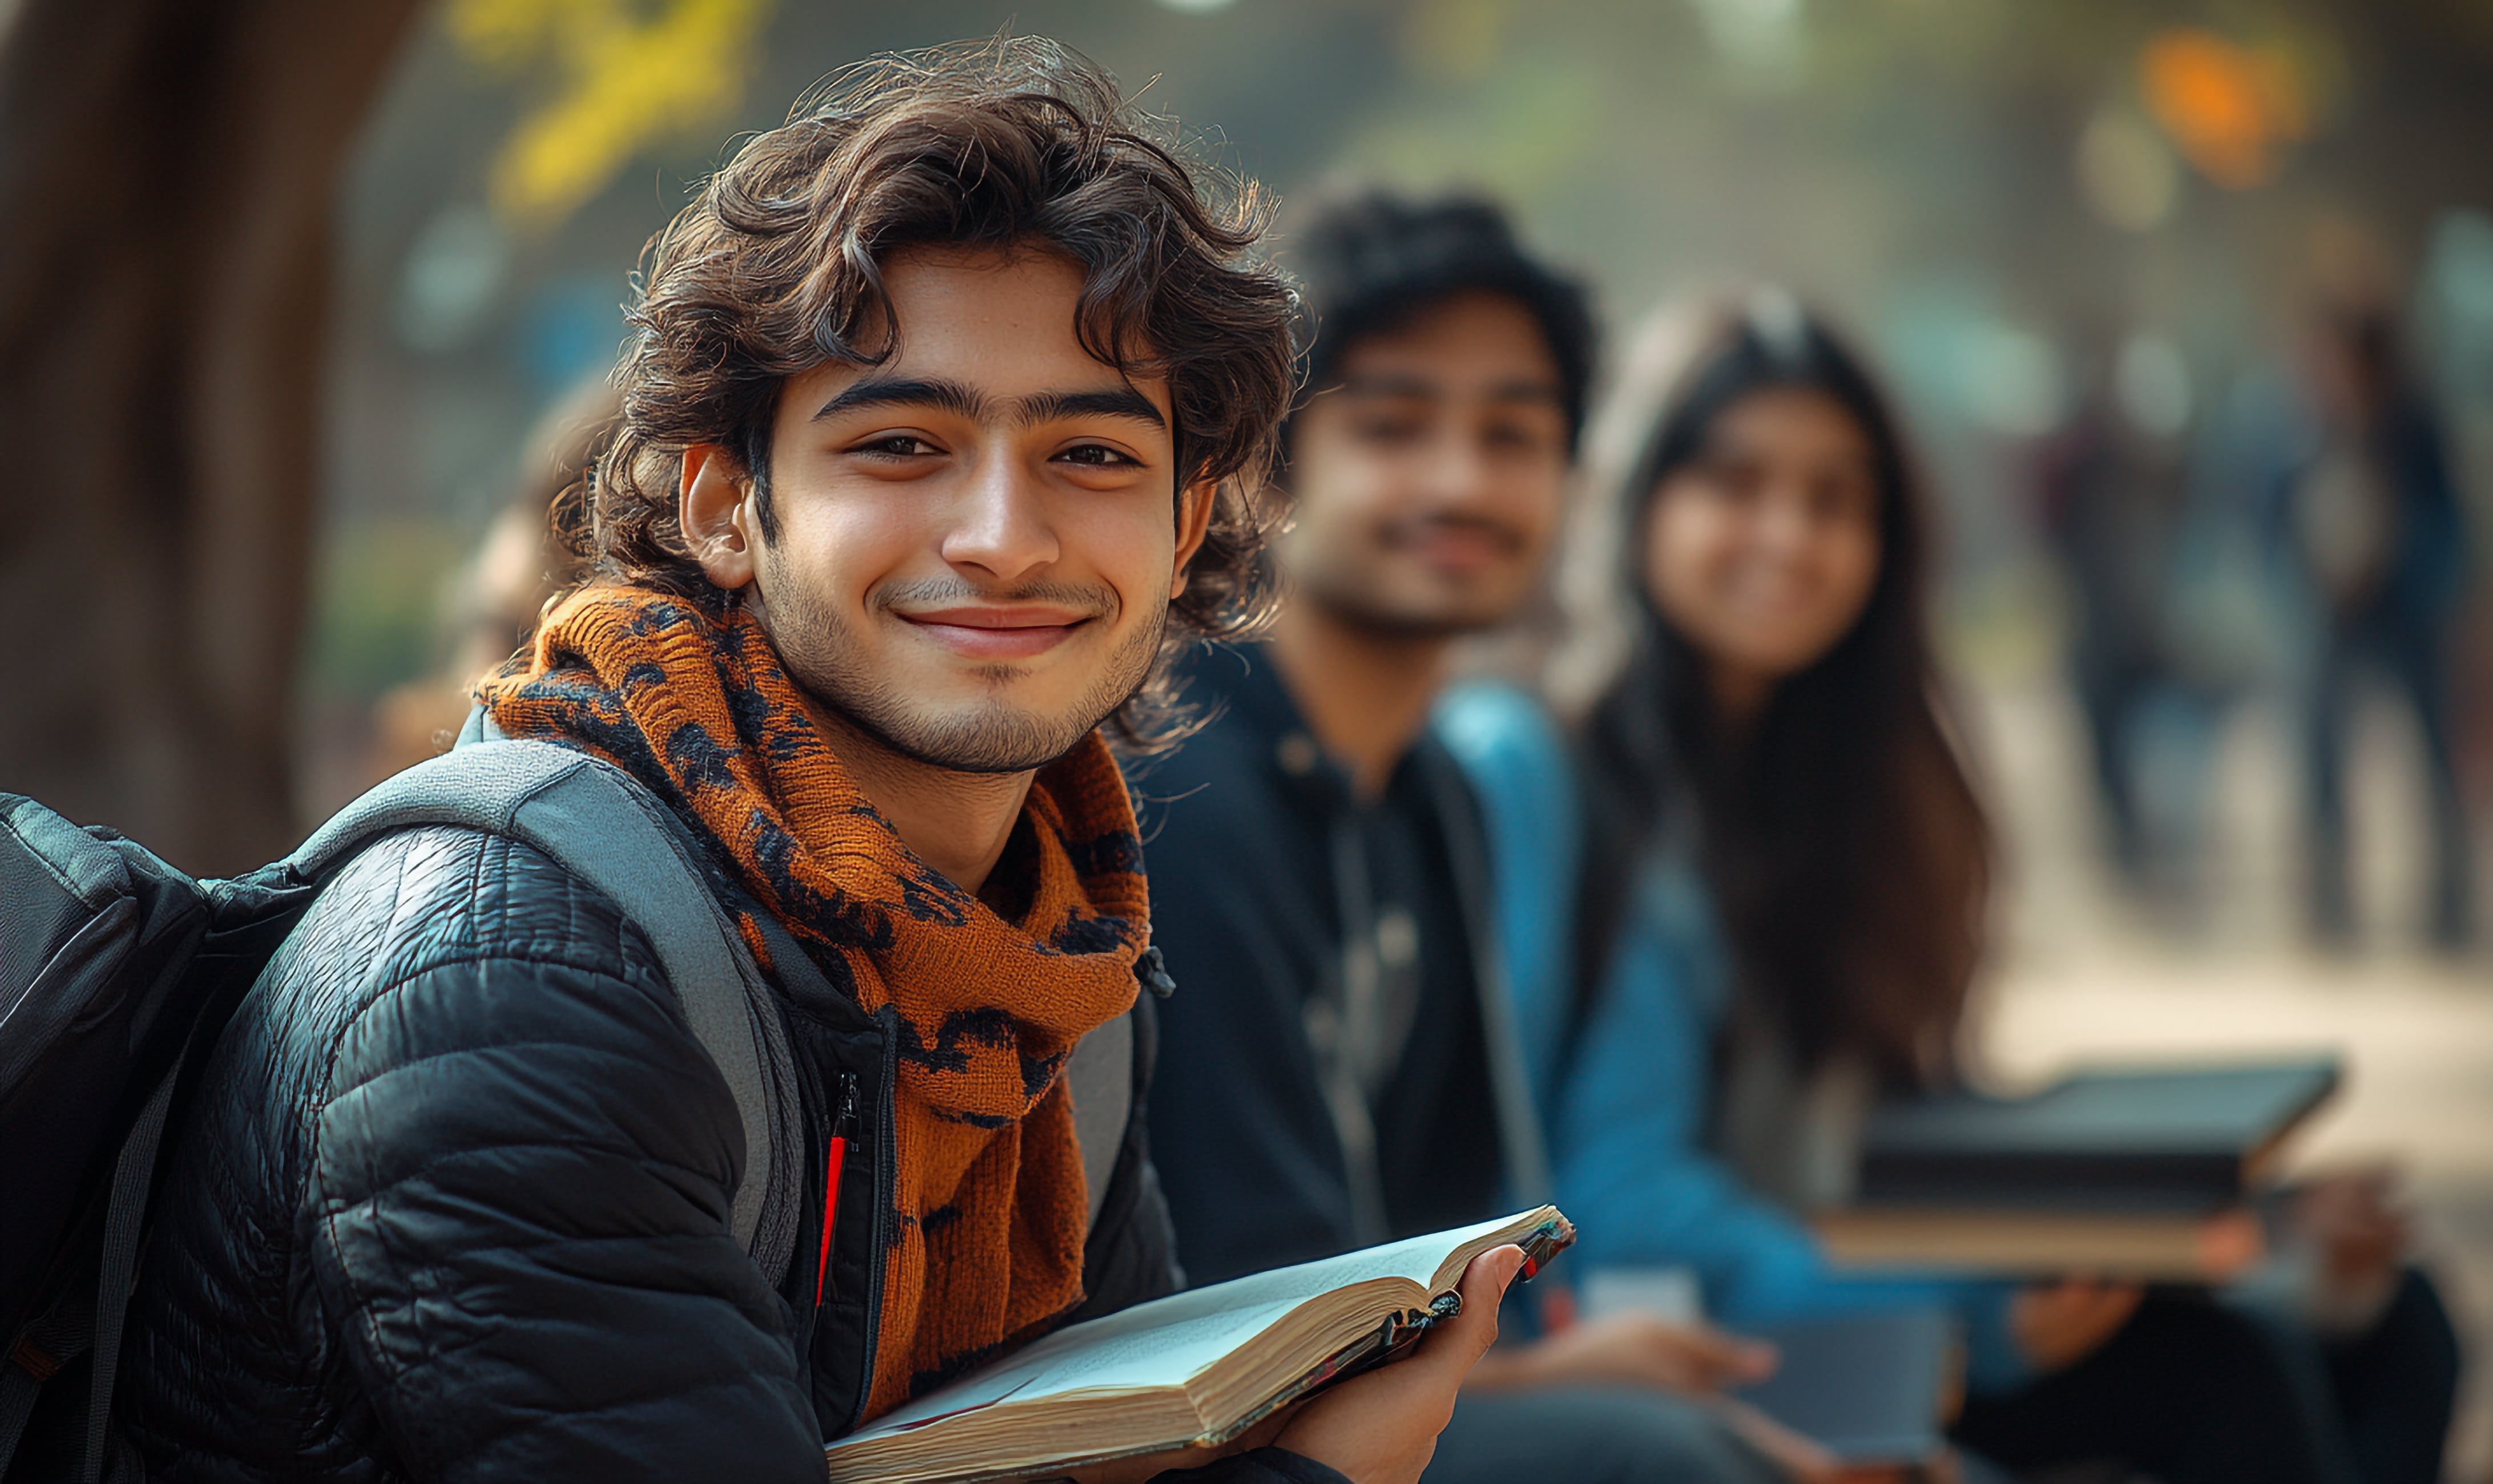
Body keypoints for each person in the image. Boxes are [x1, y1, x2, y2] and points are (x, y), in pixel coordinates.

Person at [116, 41, 1521, 1484]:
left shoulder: (1054, 972)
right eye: (905, 442)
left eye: (1091, 455)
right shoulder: (520, 981)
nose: (1001, 536)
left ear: (1181, 528)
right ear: (730, 509)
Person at [1447, 292, 2463, 1484]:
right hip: (1711, 1331)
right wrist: (1972, 1301)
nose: (1788, 535)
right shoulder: (1567, 777)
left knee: (2395, 1327)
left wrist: (2237, 1220)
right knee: (2230, 1378)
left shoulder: (1854, 780)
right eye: (1736, 483)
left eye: (1836, 498)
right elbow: (1627, 1202)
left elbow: (1909, 1126)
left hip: (1864, 1287)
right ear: (1636, 498)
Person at [1138, 193, 1805, 1484]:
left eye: (1513, 433)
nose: (1460, 481)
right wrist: (1552, 1381)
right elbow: (1259, 1315)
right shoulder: (1189, 780)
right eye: (1393, 426)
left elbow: (1459, 1229)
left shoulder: (1437, 789)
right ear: (1275, 458)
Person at [2277, 300, 2474, 951]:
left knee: (2433, 760)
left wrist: (2410, 569)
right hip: (2332, 614)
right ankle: (2329, 899)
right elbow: (2276, 513)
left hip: (2405, 613)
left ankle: (2450, 900)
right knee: (2321, 756)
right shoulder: (2309, 425)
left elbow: (2449, 526)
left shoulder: (2414, 429)